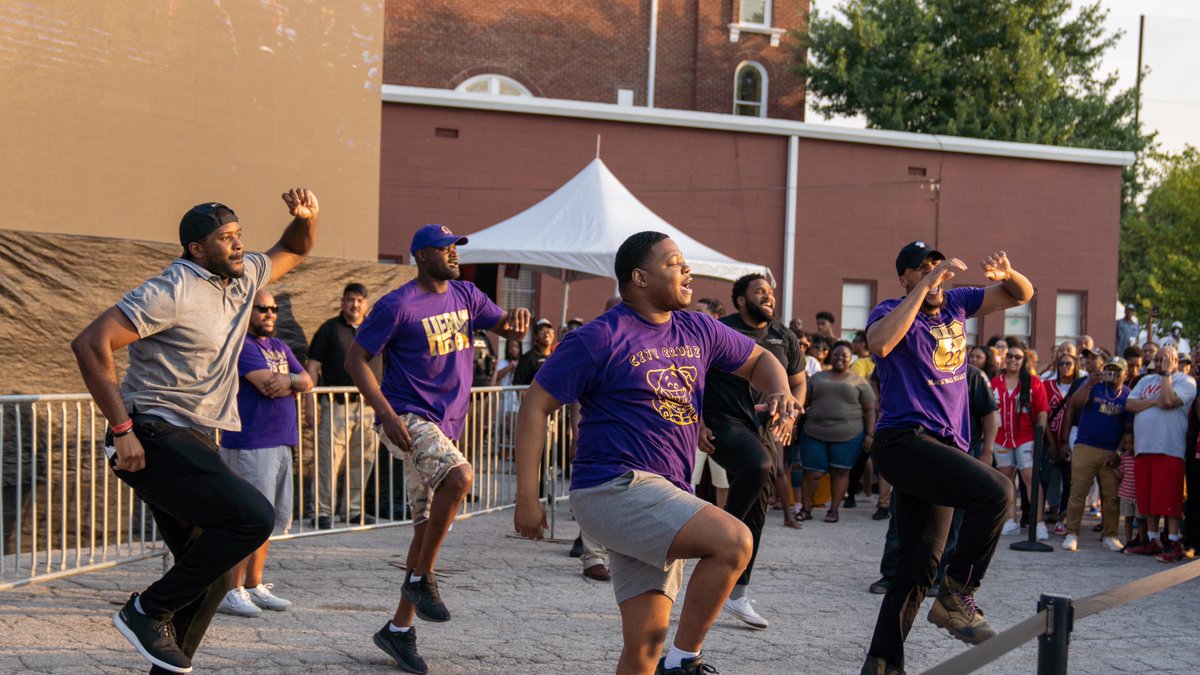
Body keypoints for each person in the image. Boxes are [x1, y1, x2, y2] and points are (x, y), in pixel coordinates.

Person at [514, 231, 800, 675]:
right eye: (674, 262)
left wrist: (780, 389)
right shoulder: (598, 337)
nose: (687, 269)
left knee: (644, 646)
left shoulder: (699, 328)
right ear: (640, 277)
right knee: (734, 541)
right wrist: (527, 498)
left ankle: (667, 660)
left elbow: (761, 361)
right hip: (613, 487)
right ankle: (684, 662)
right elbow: (536, 404)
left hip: (665, 492)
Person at [71, 189, 319, 673]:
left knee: (213, 578)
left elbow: (295, 248)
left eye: (239, 234)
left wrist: (306, 218)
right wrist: (121, 428)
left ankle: (166, 660)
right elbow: (90, 343)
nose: (237, 245)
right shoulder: (172, 289)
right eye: (225, 238)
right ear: (196, 249)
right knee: (252, 517)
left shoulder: (244, 278)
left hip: (196, 440)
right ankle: (146, 610)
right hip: (152, 433)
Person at [344, 224, 529, 673]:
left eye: (455, 248)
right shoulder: (397, 304)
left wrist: (516, 322)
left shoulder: (467, 295)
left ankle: (398, 631)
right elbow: (355, 358)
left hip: (445, 426)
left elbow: (502, 324)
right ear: (420, 256)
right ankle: (421, 580)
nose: (454, 254)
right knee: (461, 477)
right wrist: (386, 414)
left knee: (424, 528)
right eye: (444, 248)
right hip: (407, 419)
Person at [860, 241, 1030, 675]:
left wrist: (1009, 274)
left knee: (918, 567)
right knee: (998, 490)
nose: (934, 273)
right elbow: (878, 345)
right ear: (905, 279)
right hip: (904, 442)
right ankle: (958, 593)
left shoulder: (957, 303)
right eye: (921, 268)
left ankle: (882, 664)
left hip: (945, 447)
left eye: (937, 265)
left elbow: (1021, 295)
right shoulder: (889, 311)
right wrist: (924, 289)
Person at [698, 273, 807, 630]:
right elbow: (694, 377)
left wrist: (792, 413)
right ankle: (719, 531)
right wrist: (697, 421)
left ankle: (737, 593)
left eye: (771, 293)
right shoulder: (720, 330)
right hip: (723, 421)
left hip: (763, 427)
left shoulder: (783, 336)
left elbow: (798, 382)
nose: (768, 297)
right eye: (759, 292)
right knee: (758, 465)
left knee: (759, 508)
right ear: (741, 300)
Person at [217, 289, 314, 617]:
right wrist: (292, 381)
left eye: (273, 309)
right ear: (247, 312)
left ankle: (255, 584)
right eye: (262, 309)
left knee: (266, 520)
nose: (270, 314)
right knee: (246, 520)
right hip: (251, 444)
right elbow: (263, 382)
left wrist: (289, 379)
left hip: (281, 442)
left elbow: (308, 380)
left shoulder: (281, 346)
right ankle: (231, 589)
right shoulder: (242, 345)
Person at [868, 363, 996, 596]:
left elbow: (989, 413)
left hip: (956, 453)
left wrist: (987, 450)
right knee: (900, 515)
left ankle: (939, 580)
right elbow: (877, 376)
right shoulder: (921, 365)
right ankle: (891, 574)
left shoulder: (973, 375)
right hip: (915, 449)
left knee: (951, 522)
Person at [305, 283, 382, 529]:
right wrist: (310, 401)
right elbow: (313, 366)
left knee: (364, 460)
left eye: (360, 300)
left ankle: (353, 510)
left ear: (366, 304)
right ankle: (321, 512)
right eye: (350, 299)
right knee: (328, 461)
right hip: (336, 406)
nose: (355, 304)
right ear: (342, 302)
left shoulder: (376, 329)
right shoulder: (329, 329)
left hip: (369, 408)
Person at [1124, 346, 1197, 562]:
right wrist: (1154, 401)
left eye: (1164, 358)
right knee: (1148, 497)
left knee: (1168, 498)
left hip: (1169, 447)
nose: (1159, 362)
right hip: (1144, 447)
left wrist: (1166, 374)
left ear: (1174, 360)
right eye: (1157, 359)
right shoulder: (1145, 381)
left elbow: (1168, 401)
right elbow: (1130, 404)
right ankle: (1152, 539)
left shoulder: (1185, 381)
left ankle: (1173, 540)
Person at [798, 342, 876, 524]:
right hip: (814, 432)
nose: (839, 359)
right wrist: (794, 424)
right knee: (811, 473)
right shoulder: (817, 377)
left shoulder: (859, 381)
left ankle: (833, 510)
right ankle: (805, 509)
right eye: (836, 355)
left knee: (840, 472)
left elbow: (870, 408)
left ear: (850, 360)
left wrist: (870, 434)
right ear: (831, 357)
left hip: (848, 436)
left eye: (844, 357)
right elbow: (803, 402)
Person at [1061, 357, 1130, 552]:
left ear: (1125, 373)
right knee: (1078, 493)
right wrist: (1090, 382)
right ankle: (1072, 533)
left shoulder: (1127, 394)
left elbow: (1127, 428)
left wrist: (1118, 452)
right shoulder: (1094, 385)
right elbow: (1073, 403)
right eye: (1109, 368)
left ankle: (1110, 535)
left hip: (1110, 451)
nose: (1113, 373)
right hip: (1086, 446)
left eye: (1117, 370)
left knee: (1111, 497)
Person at [991, 342, 1050, 540]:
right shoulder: (995, 382)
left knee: (1029, 478)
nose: (1013, 360)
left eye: (1018, 357)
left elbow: (1042, 411)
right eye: (1010, 356)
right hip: (1001, 437)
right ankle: (1010, 520)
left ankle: (1038, 522)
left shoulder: (1033, 382)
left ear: (1024, 361)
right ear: (1004, 359)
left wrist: (1039, 438)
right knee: (1006, 480)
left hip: (1026, 437)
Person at [512, 319, 555, 385]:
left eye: (549, 331)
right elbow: (518, 384)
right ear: (536, 336)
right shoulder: (527, 358)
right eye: (542, 331)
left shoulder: (556, 356)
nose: (546, 335)